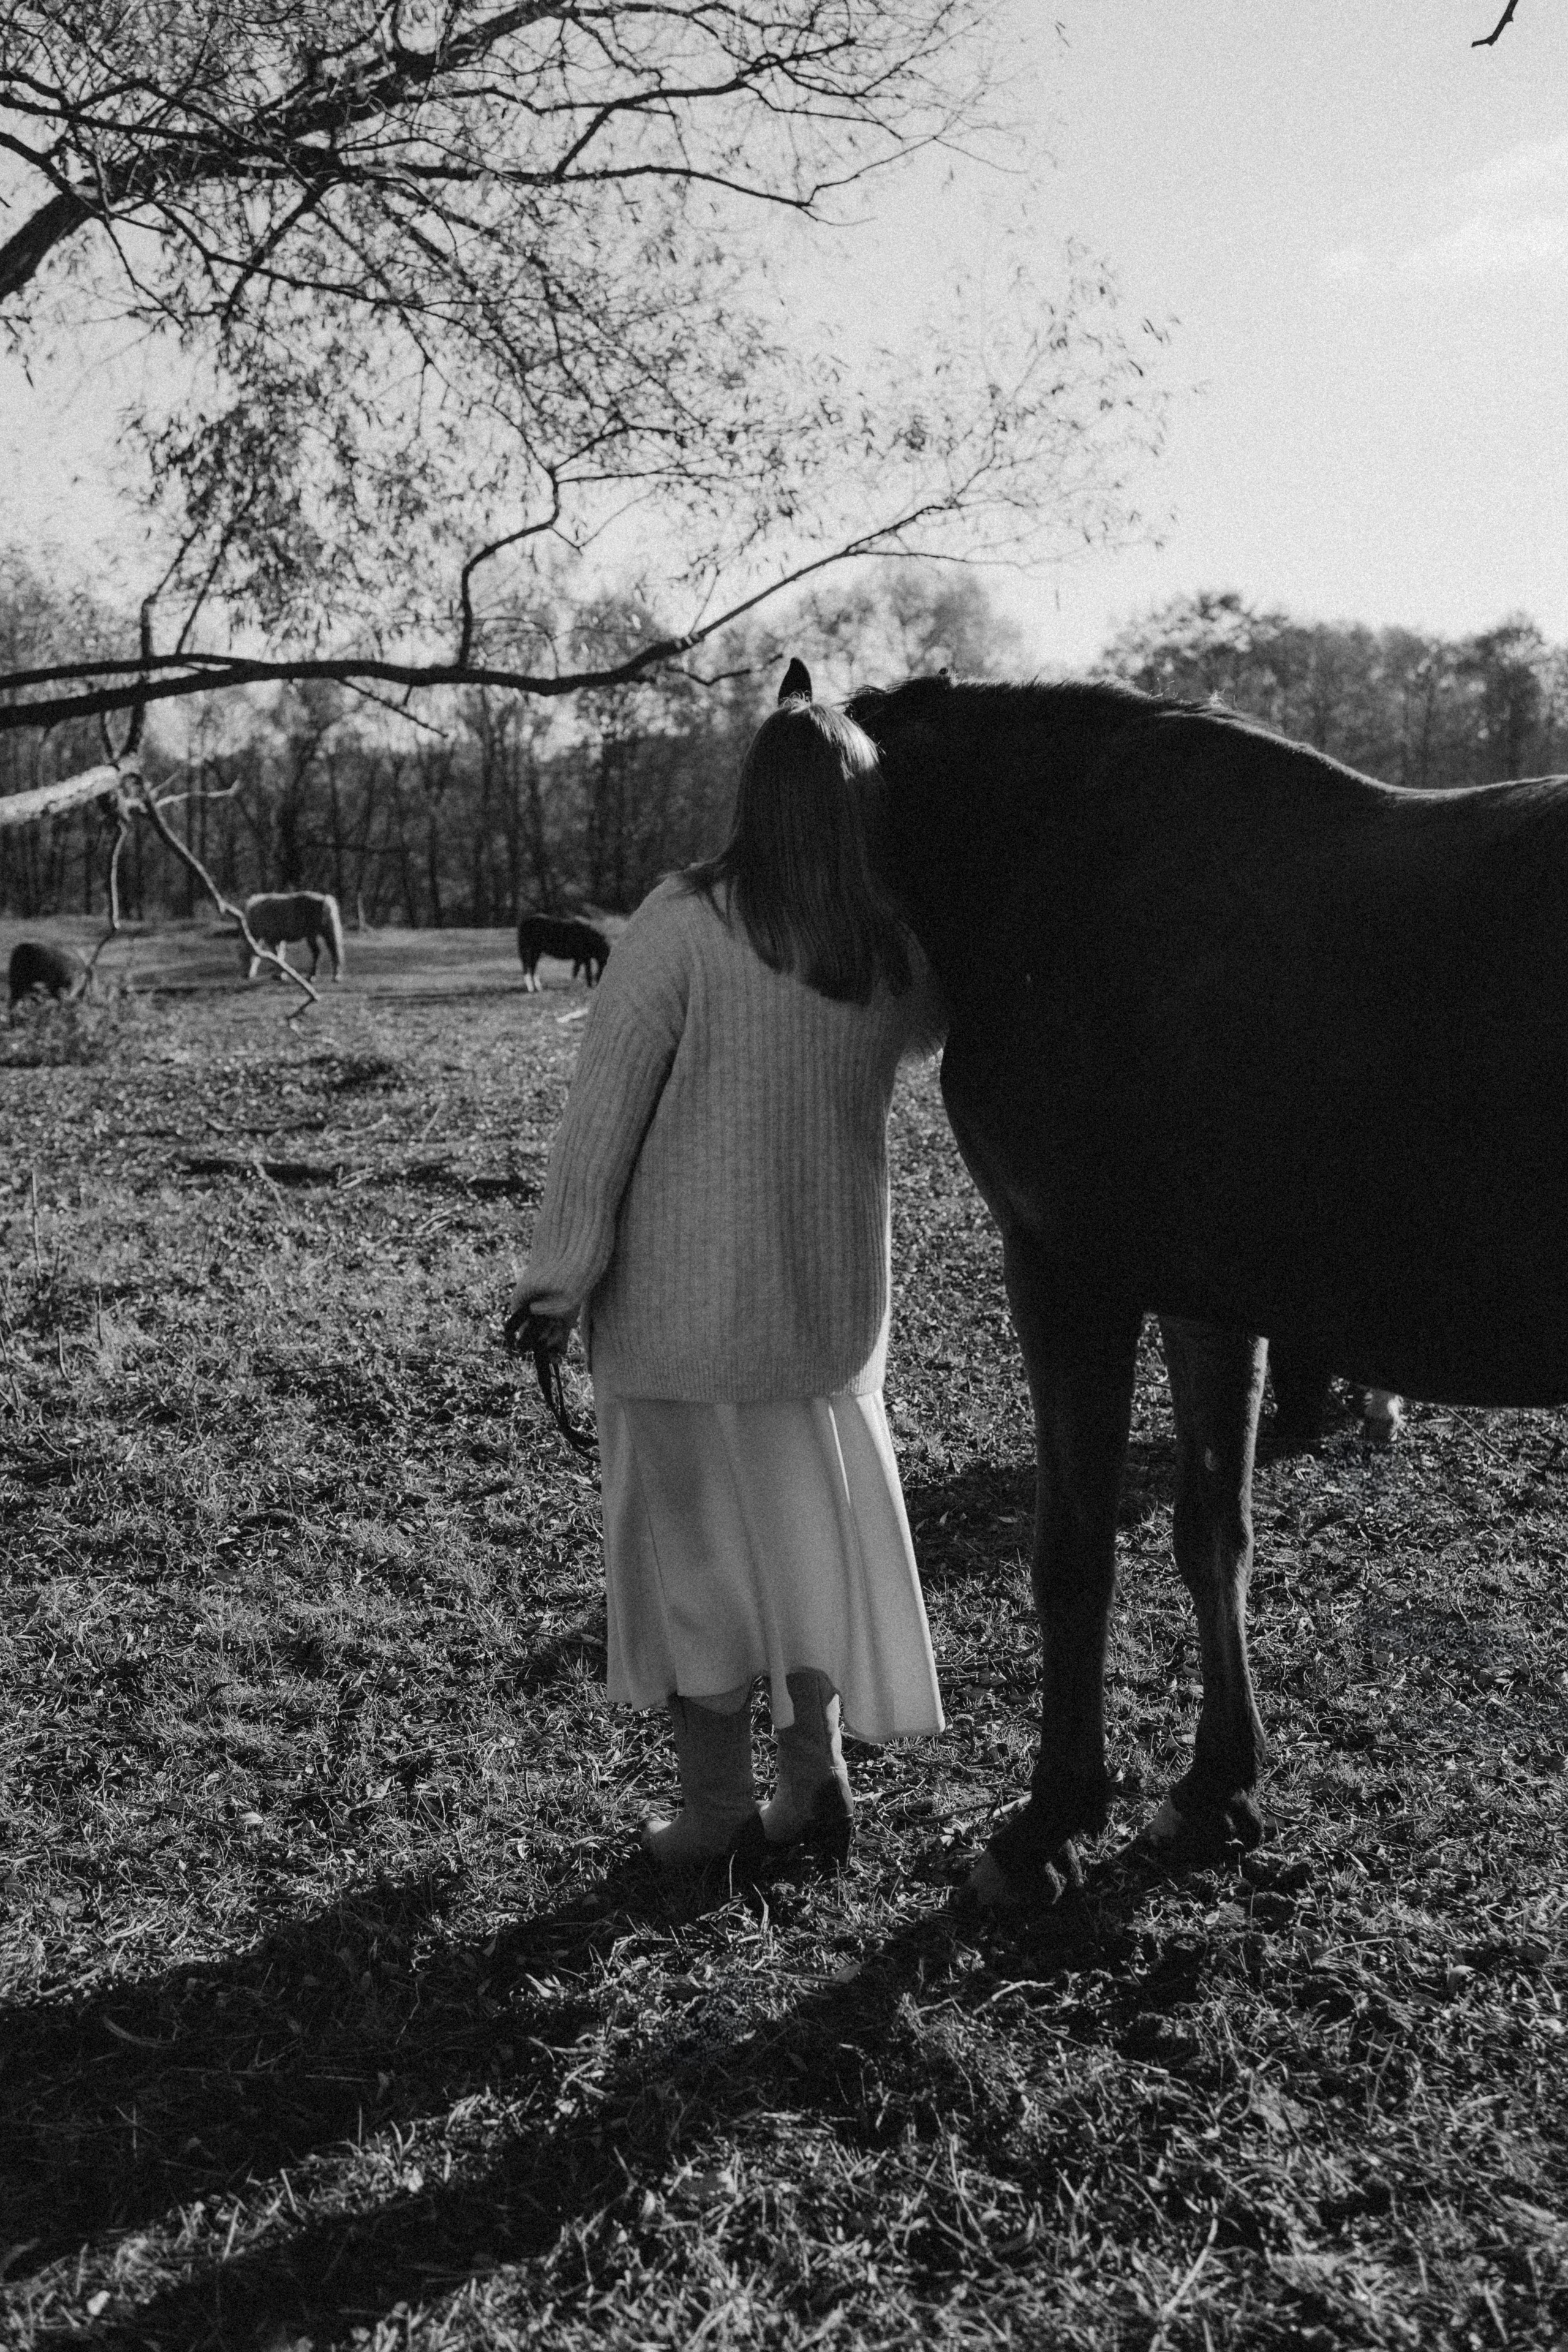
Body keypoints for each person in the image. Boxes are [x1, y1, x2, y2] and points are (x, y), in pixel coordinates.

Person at [506, 674, 946, 1869]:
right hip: (821, 1334)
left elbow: (601, 1122)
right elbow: (937, 1035)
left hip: (680, 1329)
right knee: (806, 1568)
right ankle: (816, 1787)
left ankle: (710, 1816)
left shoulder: (682, 922)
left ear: (750, 800)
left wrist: (556, 1285)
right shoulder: (892, 956)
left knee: (697, 1578)